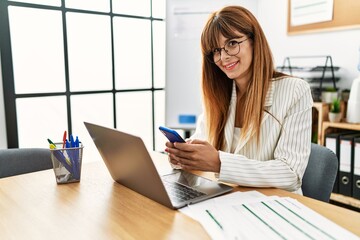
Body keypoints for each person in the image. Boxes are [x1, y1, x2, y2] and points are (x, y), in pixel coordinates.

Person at [164, 5, 313, 194]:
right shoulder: (219, 95)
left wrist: (219, 162)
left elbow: (290, 174)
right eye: (215, 51)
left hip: (276, 205)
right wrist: (183, 156)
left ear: (254, 41)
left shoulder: (295, 91)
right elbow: (200, 144)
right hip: (228, 201)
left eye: (232, 43)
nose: (223, 57)